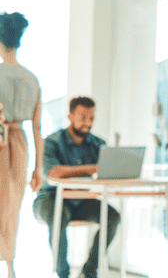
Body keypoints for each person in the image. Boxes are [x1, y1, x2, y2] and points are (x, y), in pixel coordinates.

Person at [33, 96, 121, 278]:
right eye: (82, 117)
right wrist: (91, 168)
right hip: (49, 200)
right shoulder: (53, 141)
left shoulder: (98, 144)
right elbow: (53, 173)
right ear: (70, 116)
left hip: (81, 200)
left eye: (91, 118)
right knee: (58, 215)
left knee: (112, 216)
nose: (87, 123)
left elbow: (106, 172)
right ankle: (63, 273)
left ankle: (89, 271)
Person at [0, 11, 43, 278]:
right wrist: (38, 168)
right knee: (12, 206)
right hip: (20, 144)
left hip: (2, 140)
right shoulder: (32, 78)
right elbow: (37, 128)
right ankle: (10, 266)